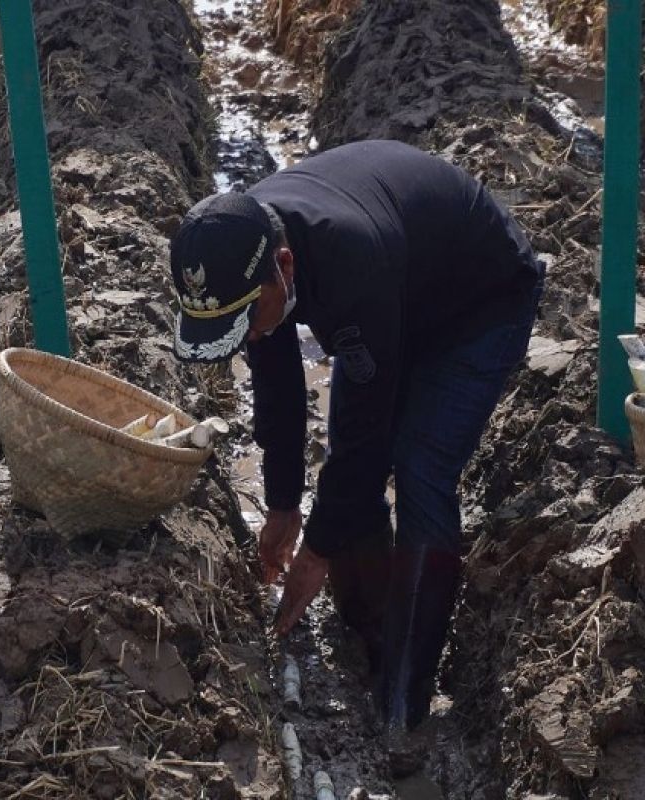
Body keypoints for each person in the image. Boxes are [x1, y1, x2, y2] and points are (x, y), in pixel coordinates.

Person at [168, 140, 542, 749]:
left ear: (284, 268)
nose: (249, 334)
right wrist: (285, 503)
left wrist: (315, 551)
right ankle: (367, 631)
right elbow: (279, 384)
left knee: (419, 467)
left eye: (247, 320)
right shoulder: (246, 241)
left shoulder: (346, 263)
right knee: (352, 446)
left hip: (479, 301)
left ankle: (404, 703)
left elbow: (365, 450)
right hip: (404, 282)